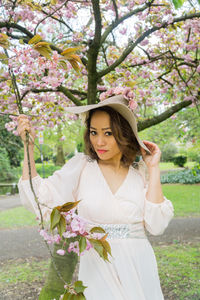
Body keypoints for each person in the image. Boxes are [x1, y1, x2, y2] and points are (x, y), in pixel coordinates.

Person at [17, 94, 174, 300]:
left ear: (124, 133)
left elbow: (157, 224)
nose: (99, 141)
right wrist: (28, 148)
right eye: (94, 132)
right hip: (98, 268)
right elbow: (39, 199)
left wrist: (153, 168)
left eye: (108, 133)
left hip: (139, 267)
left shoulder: (140, 175)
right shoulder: (82, 167)